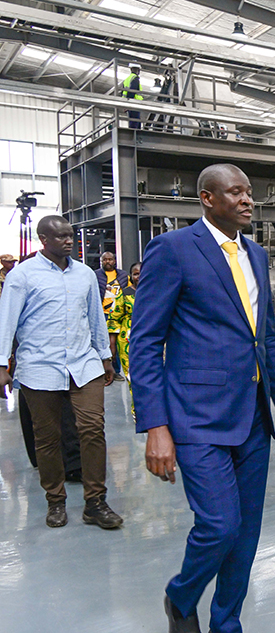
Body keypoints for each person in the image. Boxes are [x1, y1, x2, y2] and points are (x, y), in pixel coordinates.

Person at [130, 163, 275, 633]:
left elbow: (263, 338)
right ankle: (181, 596)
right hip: (195, 418)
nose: (248, 200)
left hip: (251, 417)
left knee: (246, 537)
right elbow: (143, 343)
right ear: (207, 199)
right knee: (219, 526)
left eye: (249, 192)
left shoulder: (257, 256)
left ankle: (227, 623)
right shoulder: (173, 250)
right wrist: (155, 427)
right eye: (236, 193)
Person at [0, 215, 122, 530]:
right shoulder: (22, 276)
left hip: (84, 364)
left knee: (93, 429)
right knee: (47, 437)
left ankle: (95, 502)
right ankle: (55, 501)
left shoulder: (84, 274)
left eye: (71, 236)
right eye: (61, 237)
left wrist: (106, 357)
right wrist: (2, 365)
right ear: (43, 239)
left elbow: (95, 317)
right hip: (39, 367)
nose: (69, 241)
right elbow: (7, 322)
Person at [108, 262, 141, 419]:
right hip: (128, 342)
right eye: (135, 273)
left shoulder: (157, 291)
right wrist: (112, 345)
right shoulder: (125, 294)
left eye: (142, 272)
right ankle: (138, 412)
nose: (139, 276)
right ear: (131, 276)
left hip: (156, 342)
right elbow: (114, 319)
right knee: (133, 378)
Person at [97, 251, 126, 381]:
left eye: (110, 259)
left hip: (119, 314)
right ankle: (104, 371)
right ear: (101, 261)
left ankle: (117, 371)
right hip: (103, 313)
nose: (107, 262)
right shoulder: (96, 275)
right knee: (103, 343)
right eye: (105, 259)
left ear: (115, 261)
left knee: (118, 344)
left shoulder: (123, 275)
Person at [122, 63, 143, 129]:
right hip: (134, 103)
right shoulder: (135, 78)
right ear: (137, 70)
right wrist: (129, 102)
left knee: (132, 121)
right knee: (135, 123)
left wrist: (126, 105)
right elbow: (132, 90)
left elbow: (123, 92)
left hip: (128, 103)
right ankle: (135, 135)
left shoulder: (126, 80)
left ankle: (134, 134)